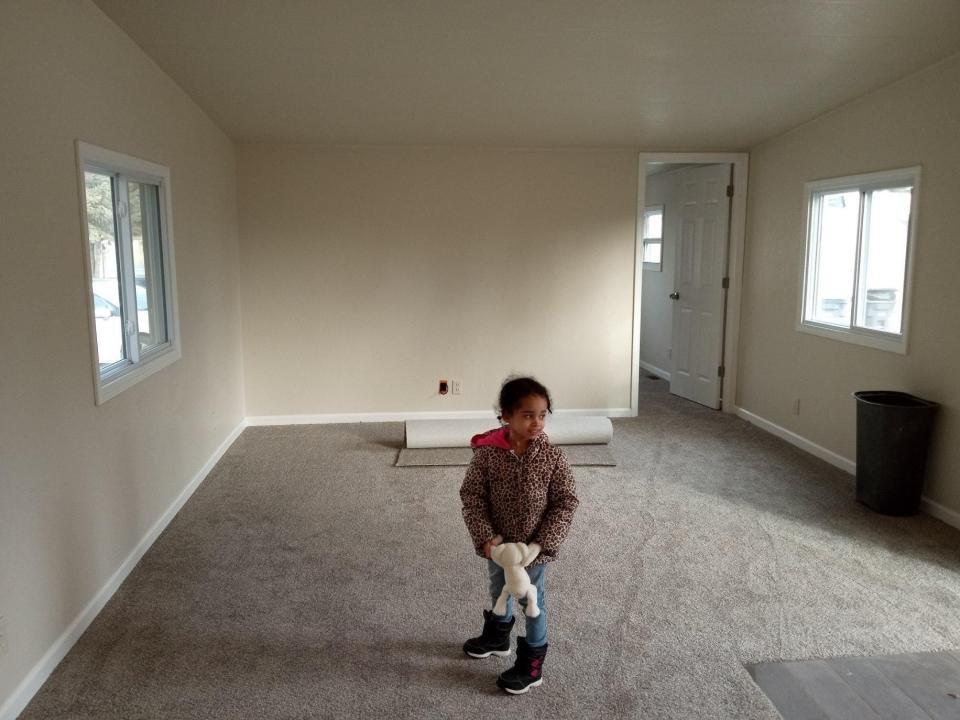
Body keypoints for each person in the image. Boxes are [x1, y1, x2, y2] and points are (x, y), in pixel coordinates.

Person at [459, 376, 580, 695]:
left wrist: (541, 543)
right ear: (506, 416)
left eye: (542, 415)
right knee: (499, 587)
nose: (537, 422)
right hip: (498, 547)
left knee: (532, 600)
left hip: (533, 550)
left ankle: (532, 662)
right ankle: (499, 636)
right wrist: (485, 537)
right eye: (528, 415)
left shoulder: (554, 458)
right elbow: (472, 496)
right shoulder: (486, 454)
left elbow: (566, 501)